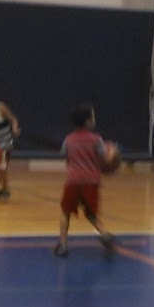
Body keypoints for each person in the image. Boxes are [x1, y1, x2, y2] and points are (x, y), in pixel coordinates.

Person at [53, 103, 115, 257]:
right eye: (93, 116)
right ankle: (104, 235)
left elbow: (67, 159)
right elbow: (104, 160)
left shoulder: (68, 140)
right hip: (91, 181)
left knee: (65, 212)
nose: (94, 119)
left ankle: (63, 245)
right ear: (88, 121)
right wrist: (113, 153)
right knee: (91, 214)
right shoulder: (96, 139)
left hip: (73, 180)